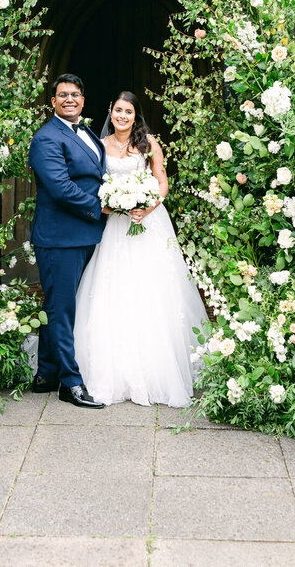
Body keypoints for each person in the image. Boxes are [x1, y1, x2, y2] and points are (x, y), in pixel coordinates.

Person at [74, 90, 208, 407]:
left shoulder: (148, 143)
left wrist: (144, 208)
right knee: (116, 290)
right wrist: (111, 205)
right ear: (111, 112)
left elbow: (161, 182)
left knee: (153, 290)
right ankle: (117, 372)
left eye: (129, 112)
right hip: (118, 226)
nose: (123, 116)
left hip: (148, 221)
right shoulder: (99, 145)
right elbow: (95, 185)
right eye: (118, 110)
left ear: (136, 116)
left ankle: (159, 372)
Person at [28, 73, 106, 408]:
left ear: (83, 100)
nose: (69, 99)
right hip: (60, 237)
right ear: (53, 102)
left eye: (75, 94)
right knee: (62, 309)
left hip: (83, 235)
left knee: (58, 304)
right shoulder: (46, 138)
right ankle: (69, 383)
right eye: (62, 95)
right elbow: (60, 188)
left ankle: (45, 373)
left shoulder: (86, 131)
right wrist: (101, 206)